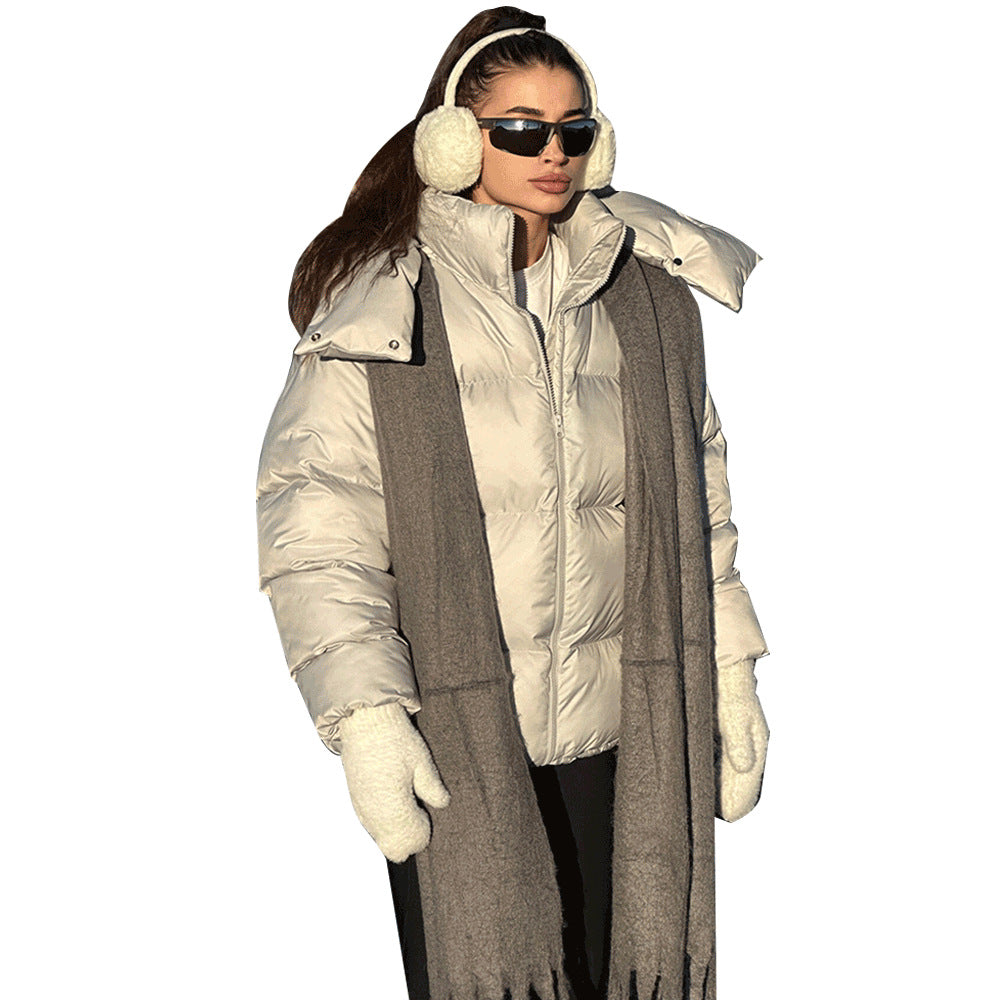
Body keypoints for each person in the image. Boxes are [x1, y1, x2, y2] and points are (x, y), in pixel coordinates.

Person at [256, 8, 771, 1000]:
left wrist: (732, 672)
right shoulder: (386, 305)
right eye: (522, 130)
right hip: (466, 745)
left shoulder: (645, 298)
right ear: (456, 141)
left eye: (573, 129)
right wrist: (367, 717)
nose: (554, 153)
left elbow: (702, 515)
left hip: (629, 740)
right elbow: (317, 533)